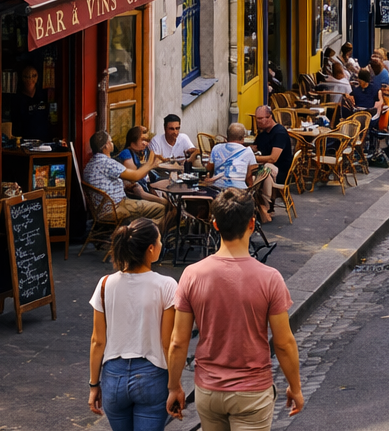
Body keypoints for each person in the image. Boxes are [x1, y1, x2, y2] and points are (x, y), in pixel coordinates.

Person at [167, 189, 304, 429]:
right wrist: (295, 386)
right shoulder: (270, 278)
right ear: (252, 223)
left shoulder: (192, 275)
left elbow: (178, 341)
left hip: (208, 390)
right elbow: (283, 342)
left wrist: (174, 386)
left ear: (215, 225)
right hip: (252, 391)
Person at [88, 219, 176, 431]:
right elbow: (168, 343)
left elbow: (97, 341)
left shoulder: (105, 284)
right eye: (160, 241)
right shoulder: (166, 285)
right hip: (152, 375)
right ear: (151, 249)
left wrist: (94, 385)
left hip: (112, 378)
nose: (162, 245)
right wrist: (176, 385)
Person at [83, 130, 170, 227]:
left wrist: (125, 187)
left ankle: (141, 232)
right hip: (115, 209)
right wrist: (150, 164)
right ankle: (142, 235)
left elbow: (106, 185)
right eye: (111, 142)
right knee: (161, 209)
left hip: (102, 209)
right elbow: (136, 176)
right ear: (106, 146)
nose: (112, 144)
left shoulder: (89, 165)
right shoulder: (107, 163)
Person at [251, 106, 292, 224]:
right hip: (266, 168)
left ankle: (267, 206)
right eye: (257, 119)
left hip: (281, 171)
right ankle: (257, 206)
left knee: (264, 173)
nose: (257, 122)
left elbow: (273, 158)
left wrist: (255, 158)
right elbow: (255, 147)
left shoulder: (279, 133)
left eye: (260, 119)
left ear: (270, 117)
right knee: (253, 174)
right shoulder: (263, 134)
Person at [116, 127, 169, 205]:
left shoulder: (141, 152)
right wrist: (150, 164)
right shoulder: (126, 154)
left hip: (143, 188)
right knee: (165, 203)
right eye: (143, 140)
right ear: (133, 140)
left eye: (147, 141)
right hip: (132, 194)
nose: (146, 143)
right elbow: (135, 178)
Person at [205, 124, 258, 190]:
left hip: (217, 189)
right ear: (243, 138)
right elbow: (249, 177)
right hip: (239, 191)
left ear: (227, 137)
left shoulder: (216, 148)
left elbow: (209, 168)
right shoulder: (248, 152)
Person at [12, 64, 52, 141]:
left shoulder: (44, 95)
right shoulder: (17, 99)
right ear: (21, 78)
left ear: (38, 77)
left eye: (34, 76)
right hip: (26, 141)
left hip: (45, 140)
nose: (30, 79)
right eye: (26, 76)